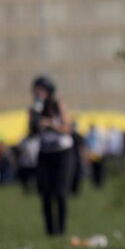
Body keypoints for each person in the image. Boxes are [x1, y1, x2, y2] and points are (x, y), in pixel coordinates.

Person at [29, 75, 73, 236]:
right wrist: (35, 118)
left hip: (62, 154)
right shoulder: (34, 109)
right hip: (45, 154)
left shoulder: (58, 105)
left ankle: (61, 231)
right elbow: (32, 131)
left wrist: (51, 124)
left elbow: (67, 128)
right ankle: (50, 231)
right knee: (46, 194)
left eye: (40, 90)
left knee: (60, 192)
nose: (37, 93)